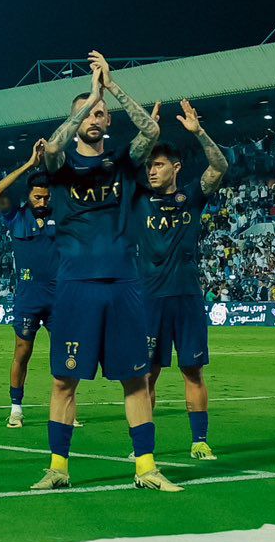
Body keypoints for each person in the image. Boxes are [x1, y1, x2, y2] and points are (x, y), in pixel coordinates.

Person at [29, 51, 179, 493]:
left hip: (124, 285)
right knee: (63, 379)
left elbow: (152, 130)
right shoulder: (59, 168)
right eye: (87, 113)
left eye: (101, 114)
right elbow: (53, 147)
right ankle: (58, 468)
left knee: (136, 377)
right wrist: (87, 98)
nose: (96, 117)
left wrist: (110, 87)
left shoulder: (124, 162)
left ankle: (146, 468)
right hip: (76, 285)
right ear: (74, 119)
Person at [136, 100, 229, 459]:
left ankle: (200, 440)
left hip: (187, 297)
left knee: (193, 370)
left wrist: (199, 132)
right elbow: (124, 167)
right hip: (149, 299)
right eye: (149, 166)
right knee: (146, 376)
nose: (151, 171)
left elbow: (220, 165)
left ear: (176, 167)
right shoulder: (139, 199)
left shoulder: (191, 196)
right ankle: (144, 447)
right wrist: (147, 135)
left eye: (157, 165)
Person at [0, 146, 59, 428]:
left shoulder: (63, 215)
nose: (42, 201)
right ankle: (16, 408)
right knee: (22, 351)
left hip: (60, 296)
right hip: (29, 296)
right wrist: (30, 163)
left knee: (64, 352)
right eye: (37, 196)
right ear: (28, 196)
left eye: (46, 196)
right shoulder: (17, 217)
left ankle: (66, 407)